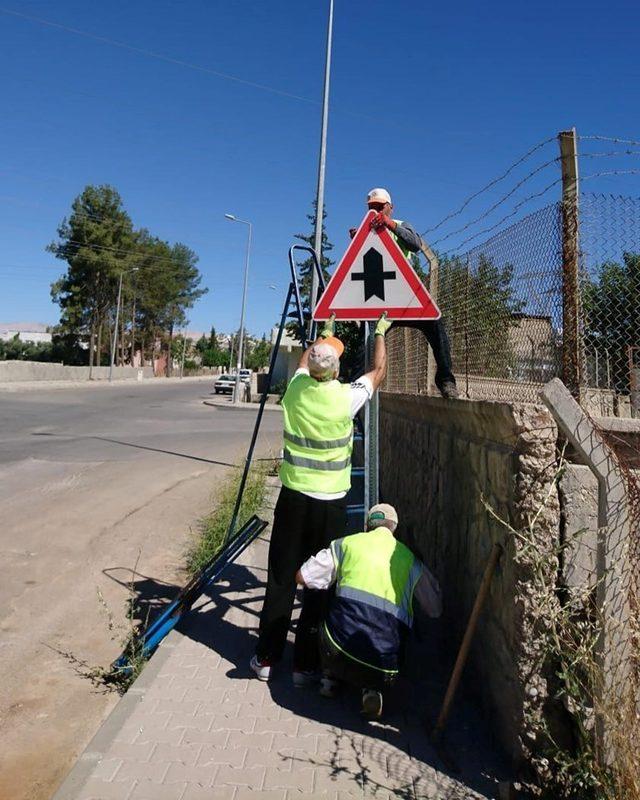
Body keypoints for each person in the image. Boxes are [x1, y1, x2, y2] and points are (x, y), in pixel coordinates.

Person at [250, 313, 393, 685]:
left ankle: (266, 658)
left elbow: (301, 362)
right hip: (330, 505)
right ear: (334, 370)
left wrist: (322, 337)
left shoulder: (296, 389)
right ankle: (305, 666)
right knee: (319, 581)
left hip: (293, 498)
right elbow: (378, 372)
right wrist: (379, 331)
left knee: (281, 576)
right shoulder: (345, 398)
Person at [295, 503, 442, 718]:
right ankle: (372, 688)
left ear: (367, 526)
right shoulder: (410, 561)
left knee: (327, 592)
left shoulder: (347, 544)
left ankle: (329, 677)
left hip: (336, 648)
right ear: (394, 529)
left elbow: (302, 577)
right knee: (386, 636)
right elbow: (435, 609)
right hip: (386, 665)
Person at [350, 187, 459, 399]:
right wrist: (356, 241)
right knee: (366, 345)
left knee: (436, 325)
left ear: (390, 207)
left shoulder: (400, 225)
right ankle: (353, 396)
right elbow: (356, 268)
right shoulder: (366, 230)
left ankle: (446, 381)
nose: (376, 211)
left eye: (380, 207)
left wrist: (389, 225)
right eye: (372, 208)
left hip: (405, 297)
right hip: (380, 301)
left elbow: (415, 244)